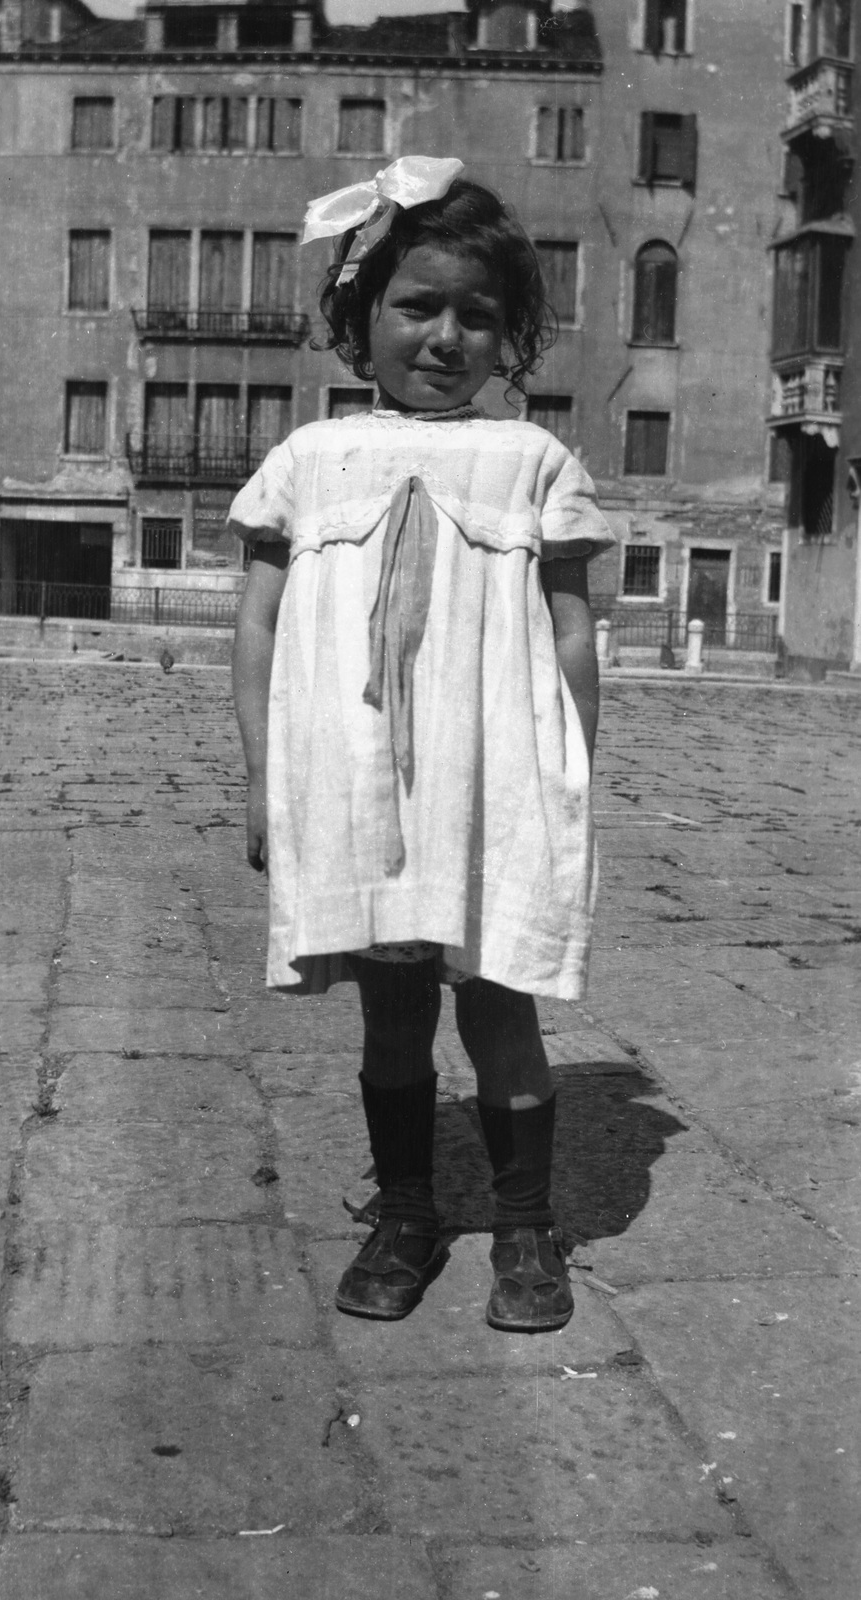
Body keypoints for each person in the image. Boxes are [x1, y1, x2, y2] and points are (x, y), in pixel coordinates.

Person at [230, 157, 613, 1333]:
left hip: (490, 786)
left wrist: (568, 782)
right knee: (391, 1011)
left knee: (501, 1002)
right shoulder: (308, 460)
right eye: (417, 306)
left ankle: (525, 1224)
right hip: (360, 791)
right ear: (361, 316)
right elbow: (256, 622)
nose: (445, 337)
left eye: (477, 316)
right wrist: (260, 779)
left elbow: (572, 630)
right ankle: (403, 1211)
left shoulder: (532, 463)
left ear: (510, 337)